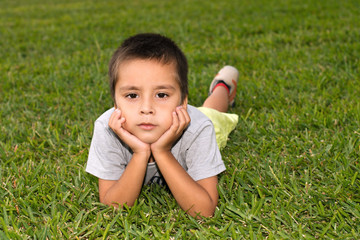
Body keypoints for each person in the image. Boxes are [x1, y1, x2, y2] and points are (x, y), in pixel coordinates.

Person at [86, 33, 238, 218]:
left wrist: (162, 151)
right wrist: (141, 153)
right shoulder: (107, 129)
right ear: (116, 105)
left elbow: (204, 211)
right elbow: (113, 207)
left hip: (195, 122)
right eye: (132, 95)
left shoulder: (198, 129)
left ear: (182, 103)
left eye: (161, 95)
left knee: (213, 113)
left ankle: (222, 86)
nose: (147, 109)